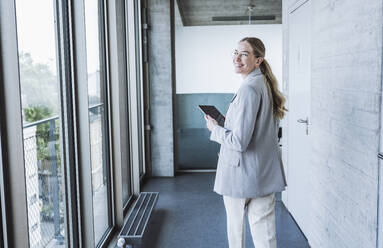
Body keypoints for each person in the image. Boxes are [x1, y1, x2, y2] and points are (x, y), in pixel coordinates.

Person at [204, 37, 287, 248]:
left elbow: (239, 142)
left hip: (240, 177)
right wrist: (226, 122)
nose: (237, 58)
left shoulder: (248, 89)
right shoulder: (262, 84)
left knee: (236, 236)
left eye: (244, 54)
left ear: (258, 60)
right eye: (235, 52)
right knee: (265, 238)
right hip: (263, 175)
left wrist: (215, 129)